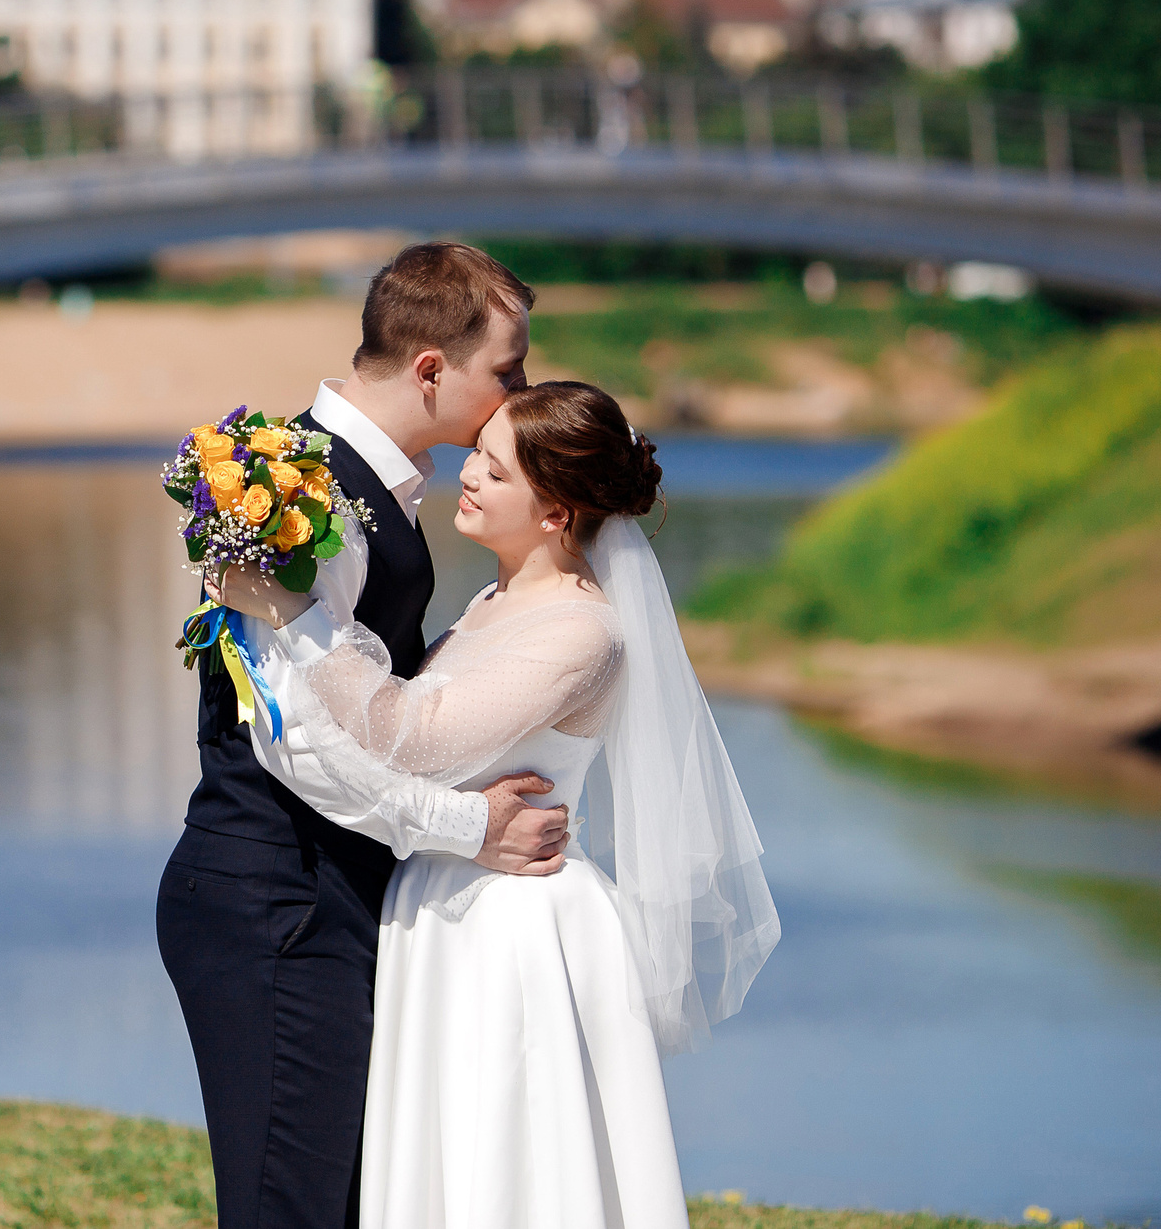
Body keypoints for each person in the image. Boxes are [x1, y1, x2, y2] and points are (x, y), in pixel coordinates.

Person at [217, 380, 780, 1229]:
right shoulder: (492, 601)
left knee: (511, 1166)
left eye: (495, 468)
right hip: (449, 903)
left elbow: (410, 734)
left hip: (516, 926)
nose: (468, 476)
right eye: (475, 456)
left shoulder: (583, 631)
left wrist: (294, 612)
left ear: (556, 511)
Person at [155, 243, 568, 1229]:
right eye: (507, 371)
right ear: (432, 369)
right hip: (274, 906)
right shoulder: (299, 495)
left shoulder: (352, 483)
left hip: (318, 900)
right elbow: (297, 742)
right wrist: (470, 829)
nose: (522, 389)